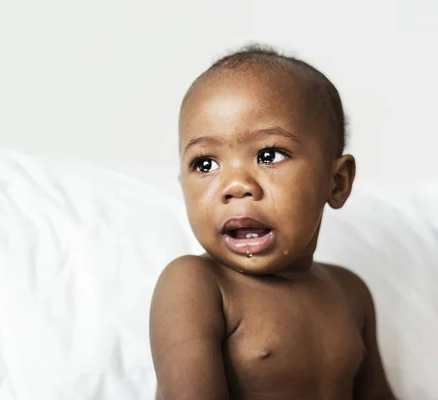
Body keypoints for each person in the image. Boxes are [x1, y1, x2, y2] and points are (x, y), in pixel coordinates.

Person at [149, 44, 395, 399]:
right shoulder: (197, 286)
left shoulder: (350, 292)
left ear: (337, 182)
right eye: (205, 165)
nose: (236, 186)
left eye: (269, 155)